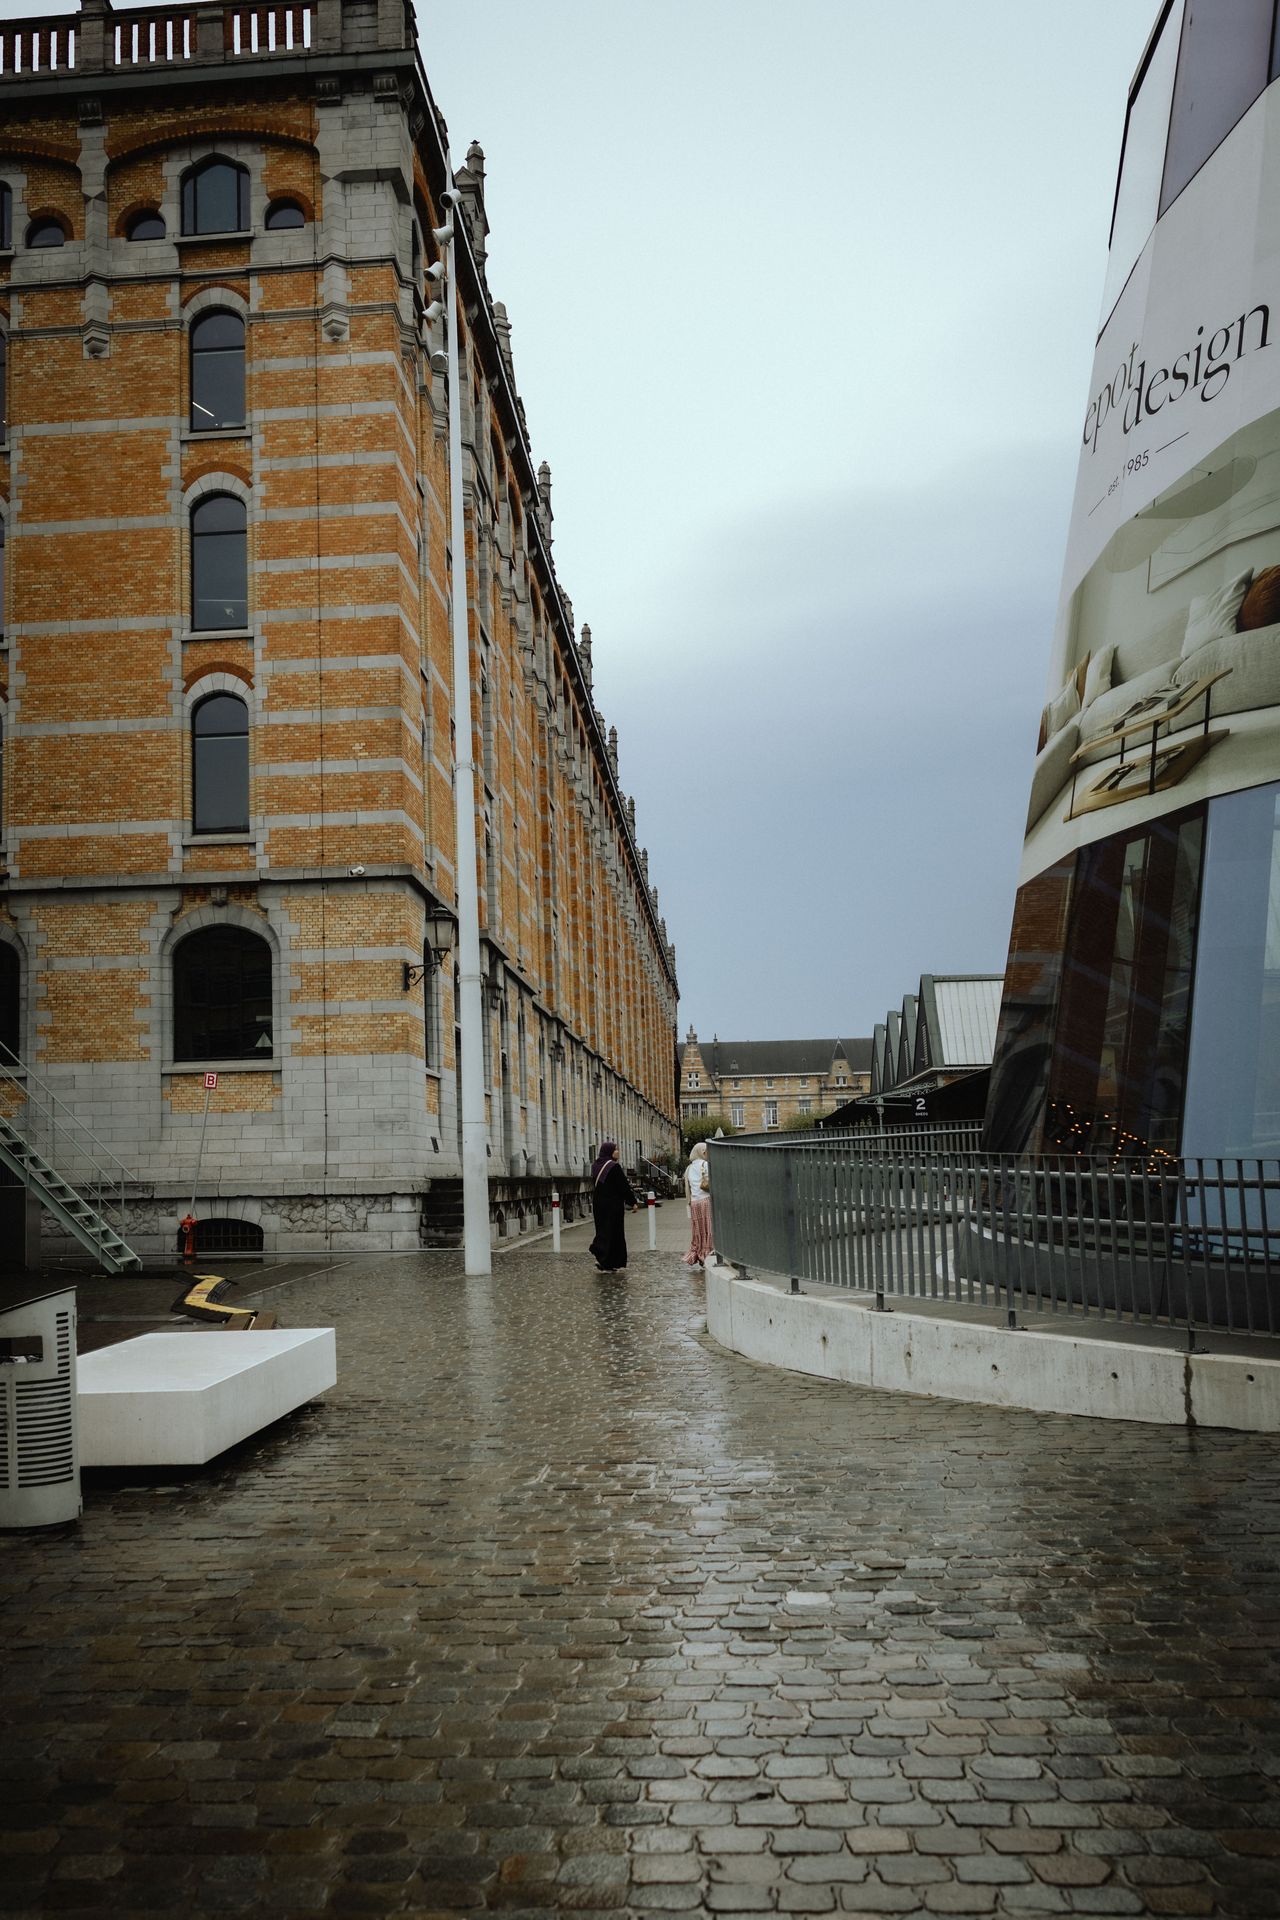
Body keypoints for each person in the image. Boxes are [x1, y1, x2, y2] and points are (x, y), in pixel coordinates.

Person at [588, 1140, 637, 1273]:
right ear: (610, 1152)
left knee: (603, 1231)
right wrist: (632, 1201)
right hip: (613, 1205)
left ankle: (606, 1261)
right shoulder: (613, 1167)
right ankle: (607, 1256)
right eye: (616, 1149)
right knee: (615, 1233)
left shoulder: (595, 1165)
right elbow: (623, 1186)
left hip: (599, 1204)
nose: (618, 1152)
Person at [683, 1141, 714, 1271]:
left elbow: (688, 1187)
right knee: (709, 1229)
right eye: (706, 1152)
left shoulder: (689, 1168)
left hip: (694, 1203)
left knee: (698, 1231)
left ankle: (699, 1253)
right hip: (706, 1200)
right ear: (702, 1152)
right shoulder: (705, 1164)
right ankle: (708, 1254)